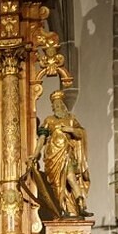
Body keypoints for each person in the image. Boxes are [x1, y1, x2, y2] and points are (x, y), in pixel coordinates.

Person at [28, 90, 92, 218]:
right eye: (55, 105)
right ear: (52, 107)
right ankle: (61, 210)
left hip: (67, 154)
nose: (57, 107)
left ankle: (80, 206)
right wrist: (35, 154)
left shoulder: (71, 119)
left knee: (71, 179)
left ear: (63, 105)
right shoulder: (49, 120)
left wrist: (71, 130)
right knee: (57, 185)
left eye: (59, 104)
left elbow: (80, 133)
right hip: (53, 156)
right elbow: (41, 138)